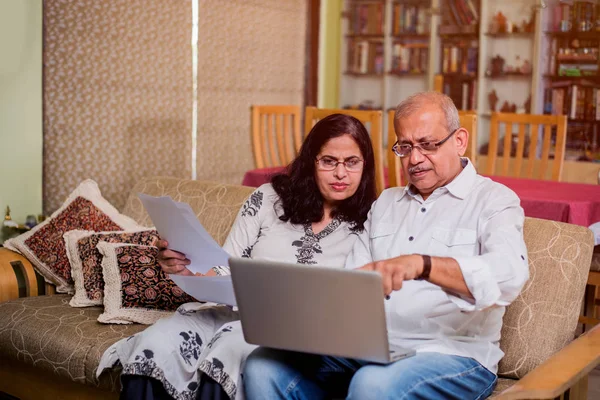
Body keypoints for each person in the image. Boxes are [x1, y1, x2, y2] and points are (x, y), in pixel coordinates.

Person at [243, 92, 530, 400]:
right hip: (371, 348)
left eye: (428, 144)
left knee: (373, 383)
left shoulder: (494, 200)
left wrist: (424, 265)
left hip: (452, 355)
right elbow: (353, 280)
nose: (415, 159)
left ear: (459, 140)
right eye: (404, 147)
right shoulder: (386, 203)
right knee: (263, 363)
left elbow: (509, 275)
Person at [96, 113, 377, 400]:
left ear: (365, 166)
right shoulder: (268, 198)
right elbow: (224, 265)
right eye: (329, 161)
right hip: (229, 311)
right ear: (311, 162)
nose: (341, 173)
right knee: (156, 343)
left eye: (352, 162)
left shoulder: (373, 221)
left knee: (228, 352)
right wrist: (185, 270)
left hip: (289, 333)